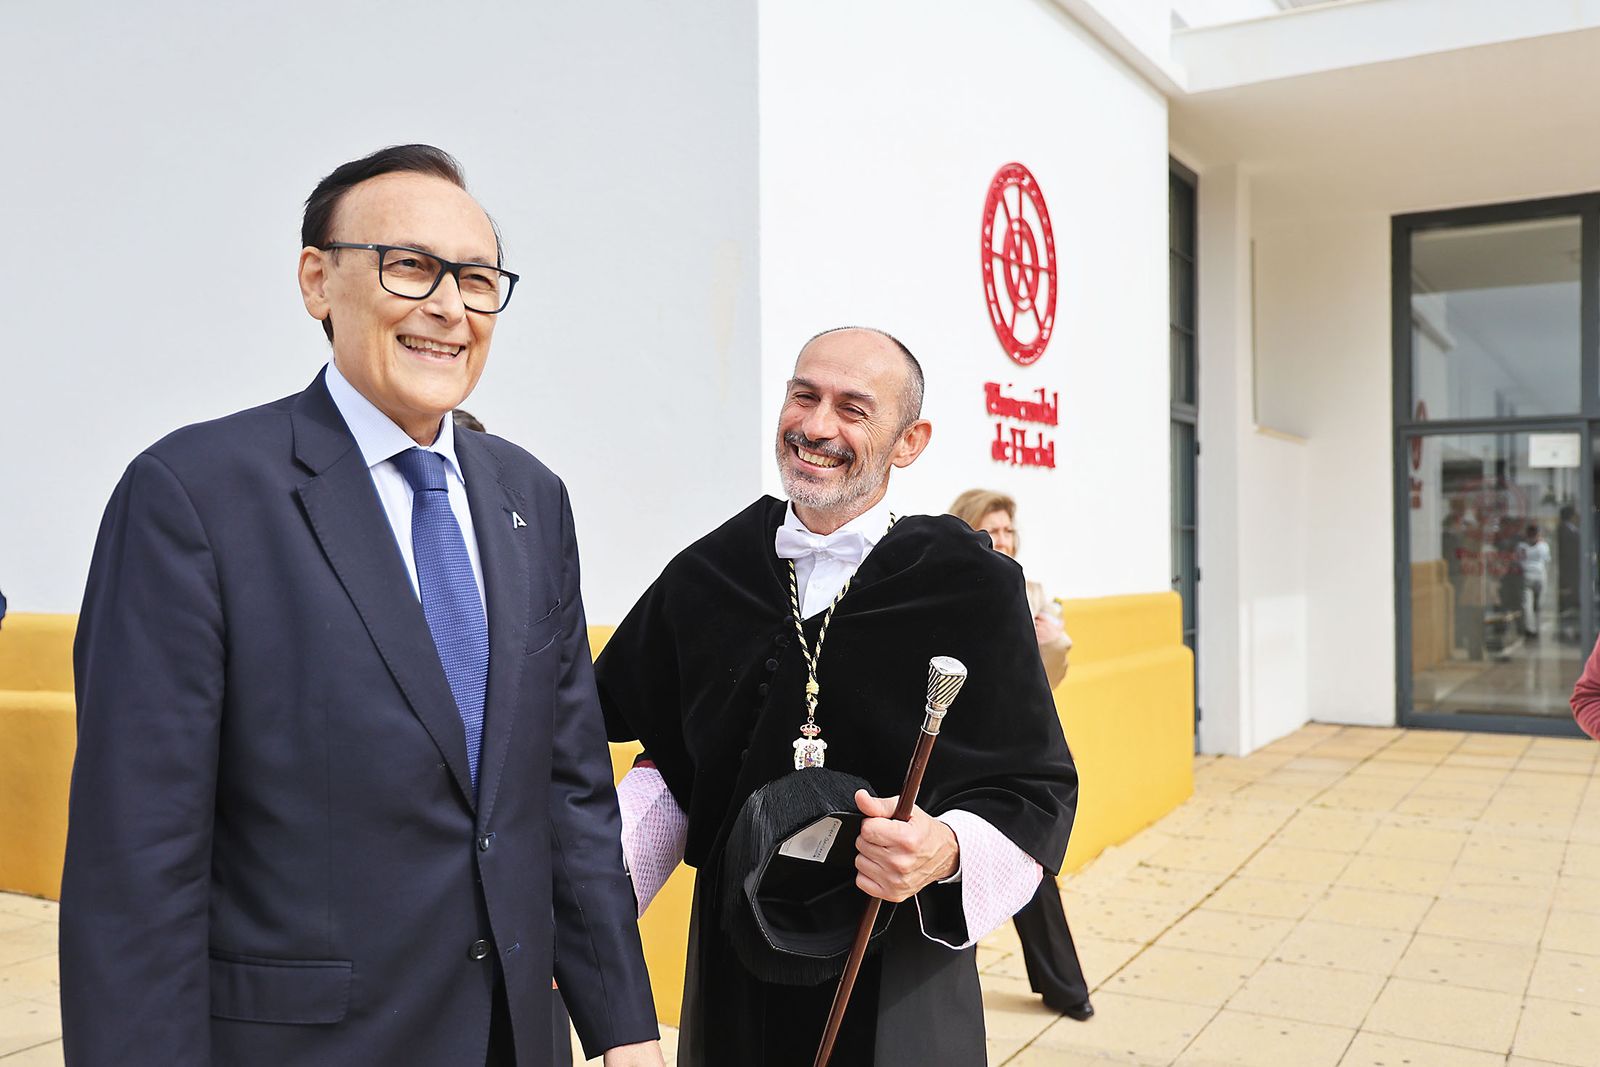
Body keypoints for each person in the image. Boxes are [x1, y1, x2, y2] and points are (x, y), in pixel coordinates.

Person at [60, 145, 661, 1067]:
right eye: (410, 267)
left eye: (476, 278)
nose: (449, 307)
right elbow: (136, 858)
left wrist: (622, 1029)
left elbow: (568, 798)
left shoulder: (529, 498)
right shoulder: (195, 495)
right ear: (317, 281)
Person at [597, 327, 1078, 1066]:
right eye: (804, 395)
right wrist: (584, 914)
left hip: (897, 963)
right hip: (736, 961)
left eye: (854, 408)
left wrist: (943, 848)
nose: (818, 426)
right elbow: (664, 762)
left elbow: (1034, 787)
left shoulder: (970, 582)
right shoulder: (709, 572)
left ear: (908, 440)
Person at [946, 489, 1092, 1021]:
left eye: (1008, 530)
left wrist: (1050, 643)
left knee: (1032, 867)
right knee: (960, 877)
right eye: (992, 529)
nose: (1002, 540)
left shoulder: (1030, 590)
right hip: (963, 756)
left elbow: (1049, 676)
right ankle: (953, 1000)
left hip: (1021, 751)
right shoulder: (951, 589)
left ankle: (1065, 987)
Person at [1518, 523, 1551, 637]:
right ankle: (1536, 628)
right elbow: (1547, 560)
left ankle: (1530, 628)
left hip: (1527, 575)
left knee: (1527, 604)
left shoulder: (1521, 546)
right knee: (1538, 605)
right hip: (1539, 575)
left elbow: (1518, 560)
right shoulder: (1543, 546)